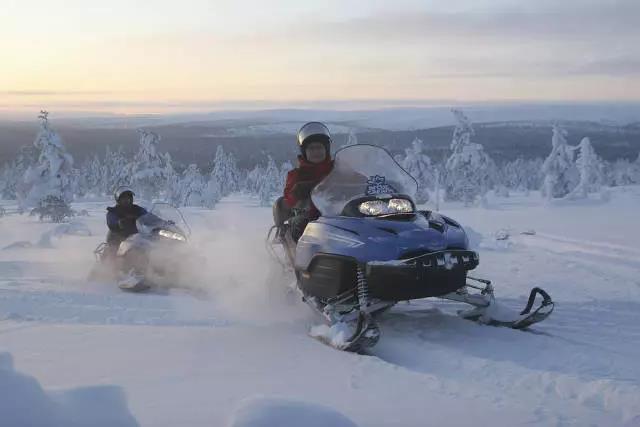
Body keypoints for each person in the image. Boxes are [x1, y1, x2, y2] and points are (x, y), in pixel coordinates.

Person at [283, 122, 334, 241]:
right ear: (304, 152)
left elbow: (355, 178)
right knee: (301, 224)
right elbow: (289, 197)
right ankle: (302, 258)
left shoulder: (338, 168)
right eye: (311, 148)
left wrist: (368, 180)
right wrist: (299, 190)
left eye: (319, 147)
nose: (316, 152)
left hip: (337, 213)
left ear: (326, 149)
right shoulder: (296, 174)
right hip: (310, 216)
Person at [104, 187, 147, 260]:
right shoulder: (113, 211)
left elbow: (148, 216)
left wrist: (162, 223)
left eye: (129, 198)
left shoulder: (137, 209)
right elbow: (111, 221)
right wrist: (119, 223)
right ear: (118, 200)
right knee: (112, 253)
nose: (127, 200)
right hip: (120, 237)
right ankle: (108, 266)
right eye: (124, 198)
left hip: (137, 237)